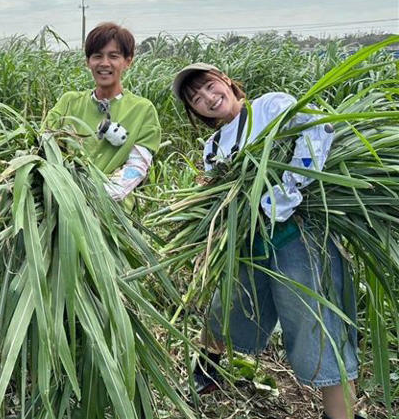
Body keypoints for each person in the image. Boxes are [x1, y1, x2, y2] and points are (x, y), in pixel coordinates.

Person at [172, 63, 362, 419]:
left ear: (226, 82)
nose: (208, 99)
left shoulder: (270, 107)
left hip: (300, 239)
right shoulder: (213, 146)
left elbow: (318, 130)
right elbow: (217, 196)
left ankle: (342, 413)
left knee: (317, 326)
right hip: (251, 244)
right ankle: (208, 368)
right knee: (228, 305)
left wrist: (288, 188)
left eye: (210, 87)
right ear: (194, 111)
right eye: (196, 99)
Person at [45, 22, 161, 204]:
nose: (104, 63)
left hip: (113, 214)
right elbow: (45, 146)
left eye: (113, 56)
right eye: (97, 56)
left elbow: (136, 167)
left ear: (127, 61)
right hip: (63, 206)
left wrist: (93, 197)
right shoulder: (69, 102)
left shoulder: (142, 109)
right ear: (88, 62)